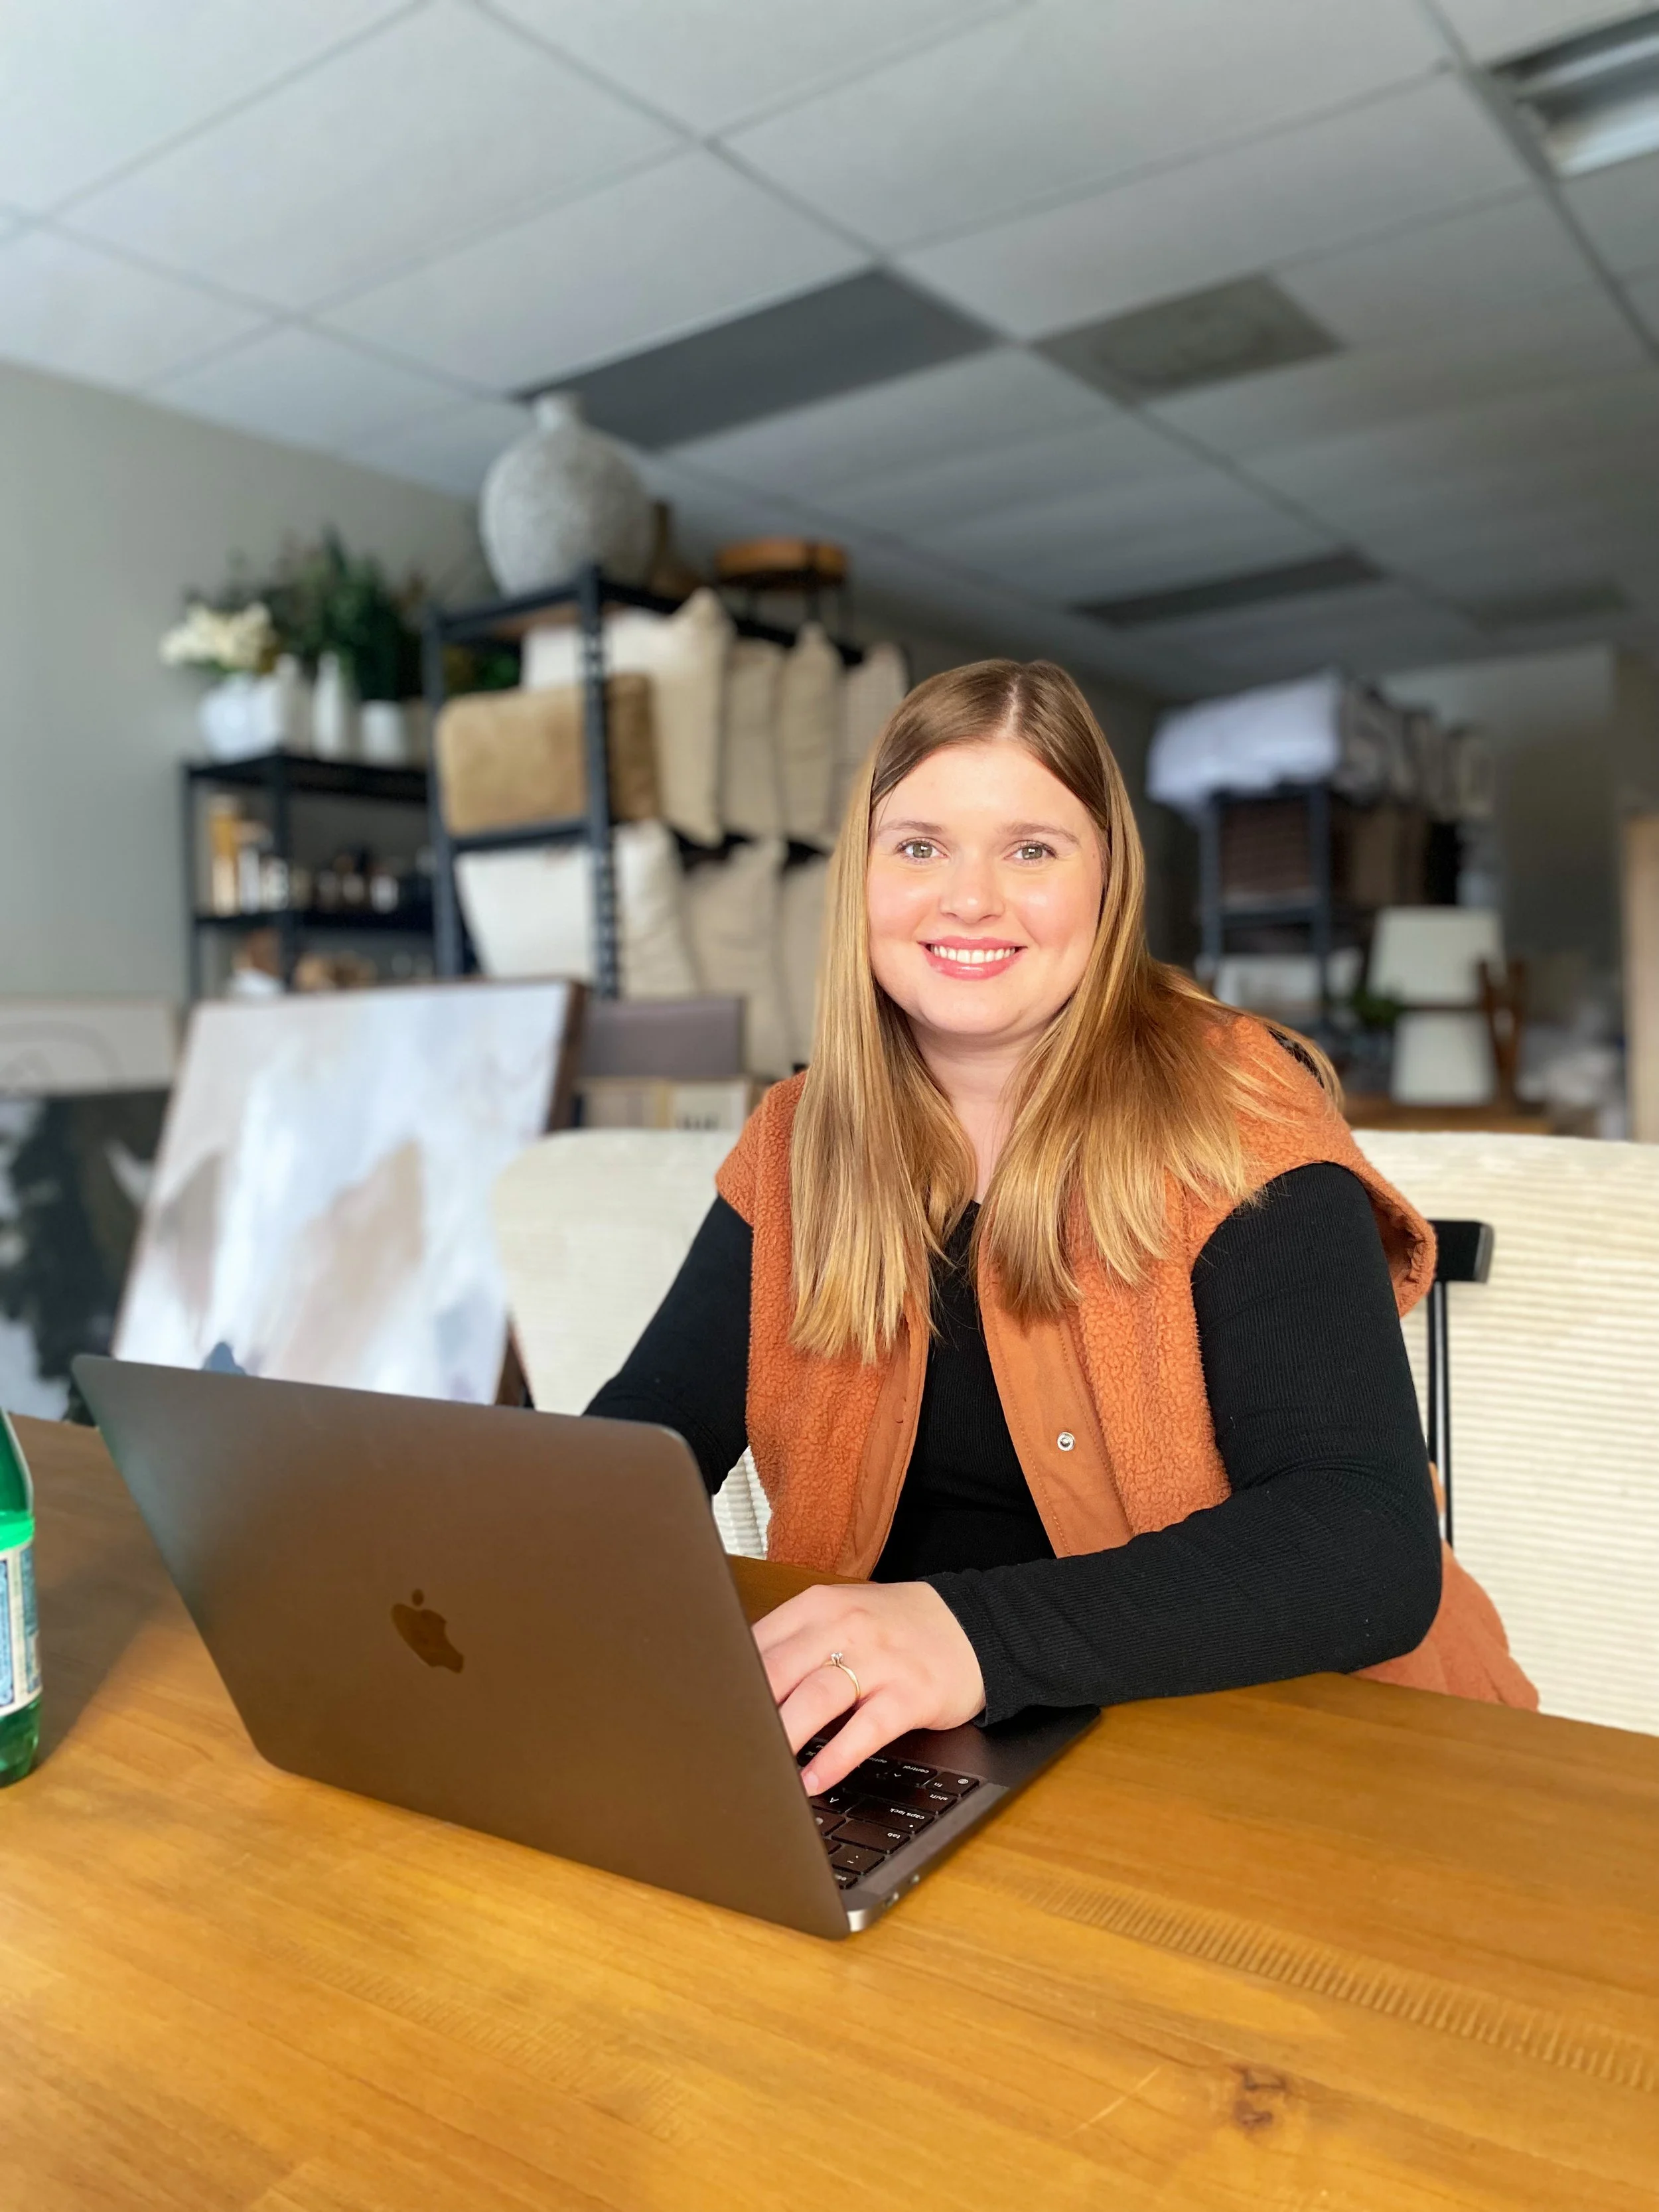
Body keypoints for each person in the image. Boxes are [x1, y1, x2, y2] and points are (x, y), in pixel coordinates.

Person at [589, 659, 1534, 1797]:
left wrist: (971, 1637)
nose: (970, 899)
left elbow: (1362, 1545)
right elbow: (637, 1454)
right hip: (940, 1759)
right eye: (921, 845)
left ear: (1106, 880)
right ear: (865, 878)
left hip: (1286, 1747)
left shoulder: (1236, 1101)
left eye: (1031, 848)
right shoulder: (800, 1138)